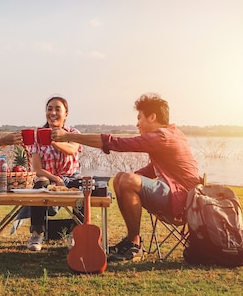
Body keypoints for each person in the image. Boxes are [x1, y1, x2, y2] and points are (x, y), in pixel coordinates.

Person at [51, 93, 200, 261]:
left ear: (152, 116)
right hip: (182, 198)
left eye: (139, 118)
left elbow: (119, 144)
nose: (137, 124)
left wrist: (69, 136)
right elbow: (153, 169)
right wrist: (126, 182)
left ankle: (134, 244)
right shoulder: (172, 134)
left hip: (182, 201)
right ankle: (131, 241)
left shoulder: (163, 136)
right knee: (123, 178)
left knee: (124, 179)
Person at [25, 96, 82, 251]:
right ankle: (37, 233)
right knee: (40, 182)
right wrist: (56, 179)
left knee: (84, 185)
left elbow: (71, 150)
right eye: (49, 109)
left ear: (66, 114)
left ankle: (75, 234)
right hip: (49, 178)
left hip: (71, 177)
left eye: (58, 109)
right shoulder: (37, 136)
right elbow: (37, 169)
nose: (53, 112)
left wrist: (53, 141)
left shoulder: (73, 133)